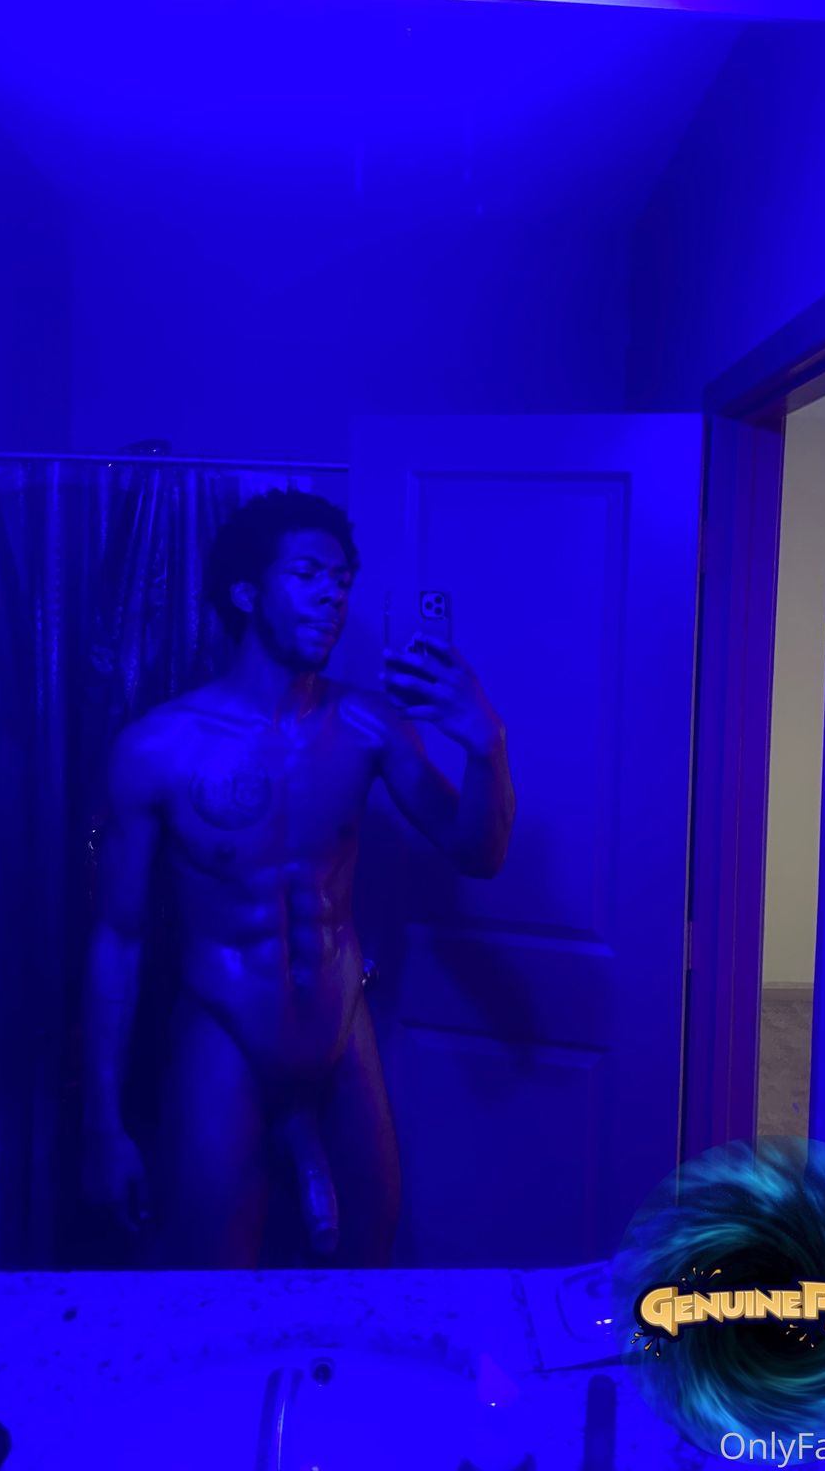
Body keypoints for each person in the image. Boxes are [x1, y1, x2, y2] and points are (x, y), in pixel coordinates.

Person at [82, 490, 515, 1268]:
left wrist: (486, 745)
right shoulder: (159, 748)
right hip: (223, 1032)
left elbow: (474, 852)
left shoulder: (370, 726)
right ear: (247, 593)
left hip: (341, 1027)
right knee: (216, 1284)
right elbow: (118, 939)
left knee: (366, 1268)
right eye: (308, 574)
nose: (332, 596)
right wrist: (103, 1124)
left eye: (342, 580)